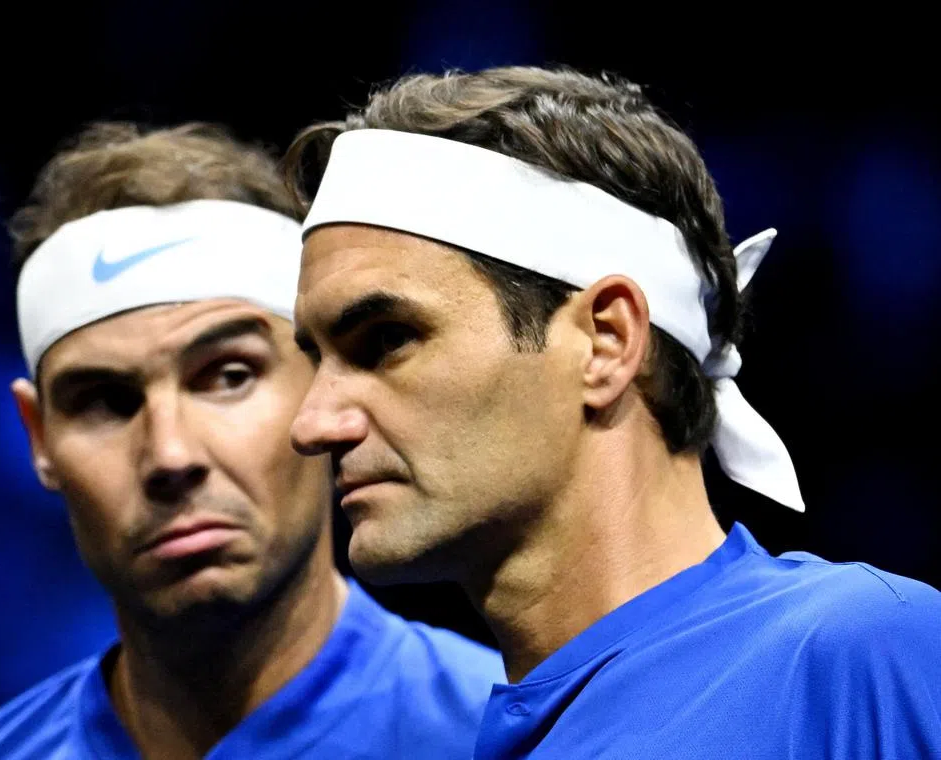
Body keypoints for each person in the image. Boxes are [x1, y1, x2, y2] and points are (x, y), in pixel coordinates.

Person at [285, 67, 941, 759]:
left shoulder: (868, 655)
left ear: (607, 341)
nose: (313, 423)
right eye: (315, 358)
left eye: (387, 340)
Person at [0, 122, 504, 760]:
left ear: (324, 386)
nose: (170, 455)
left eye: (228, 377)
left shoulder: (526, 741)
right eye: (104, 402)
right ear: (39, 438)